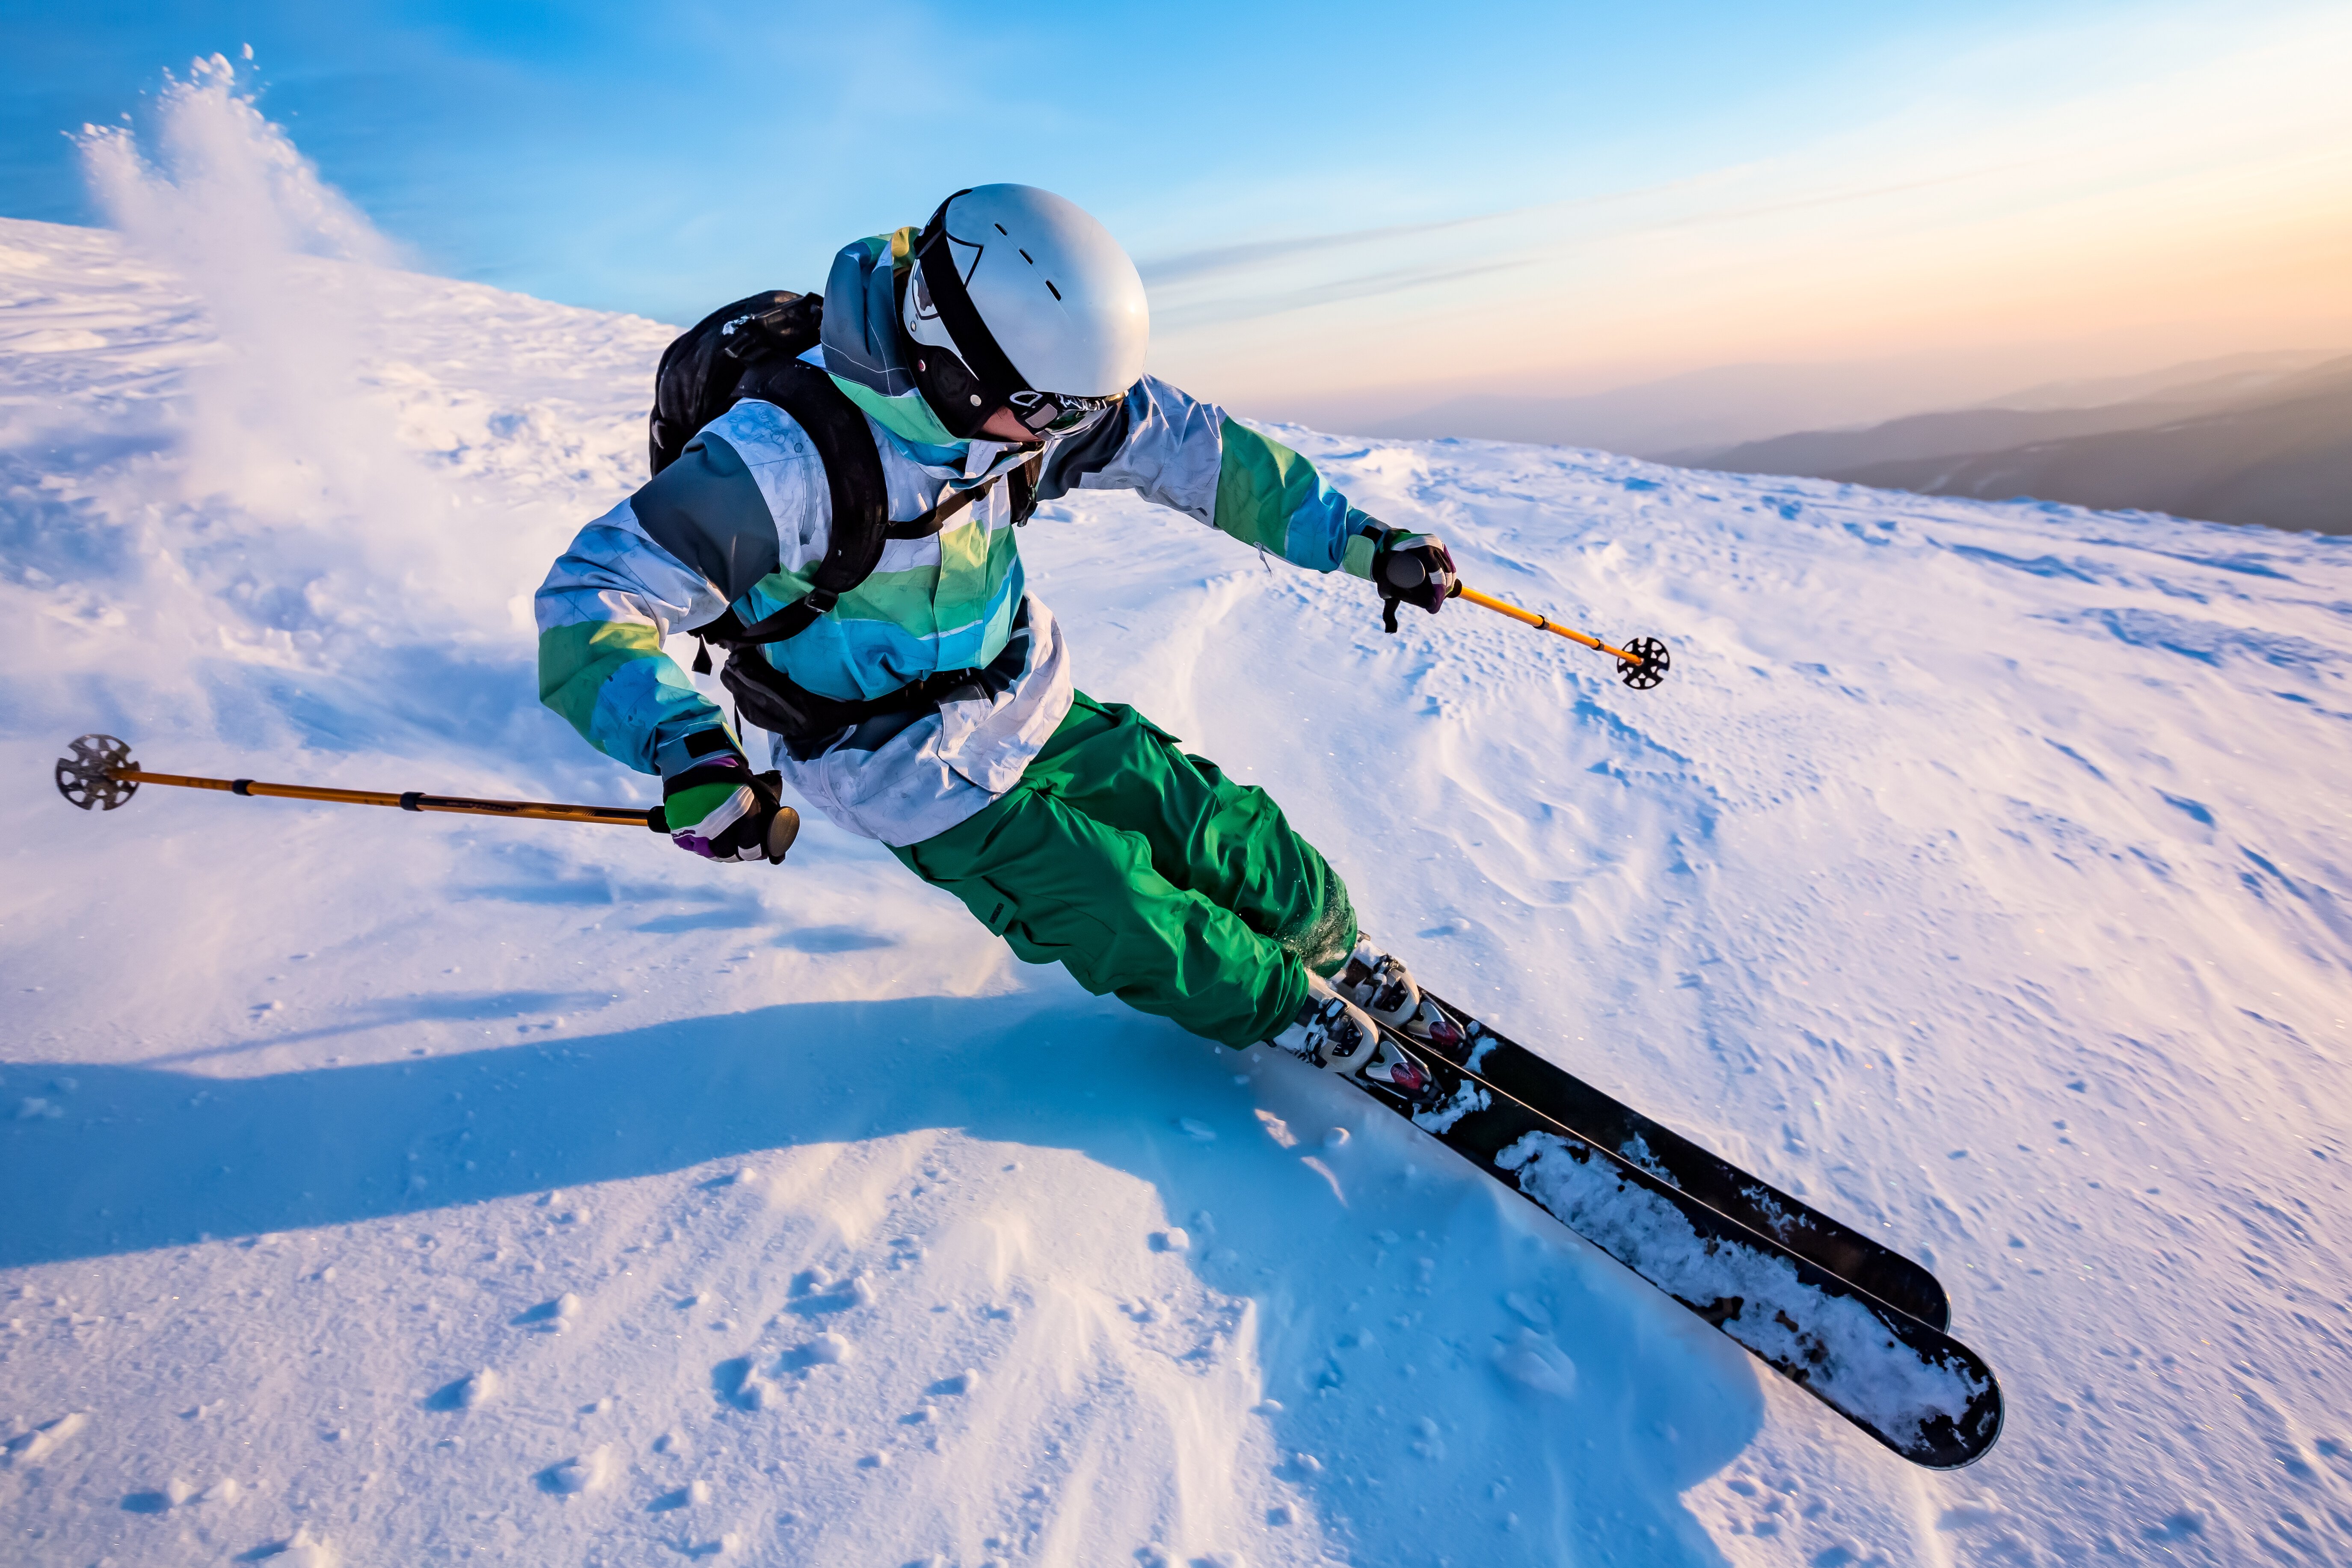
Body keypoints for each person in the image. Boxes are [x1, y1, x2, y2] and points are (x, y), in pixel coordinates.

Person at [536, 184, 1465, 1092]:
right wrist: (688, 748)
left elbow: (1197, 450)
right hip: (894, 762)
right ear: (951, 364)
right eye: (1056, 410)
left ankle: (1333, 943)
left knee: (1220, 829)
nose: (1069, 431)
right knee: (1123, 906)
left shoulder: (1025, 406)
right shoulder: (785, 463)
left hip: (1024, 691)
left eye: (1083, 407)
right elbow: (594, 596)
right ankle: (1280, 1006)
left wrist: (1358, 544)